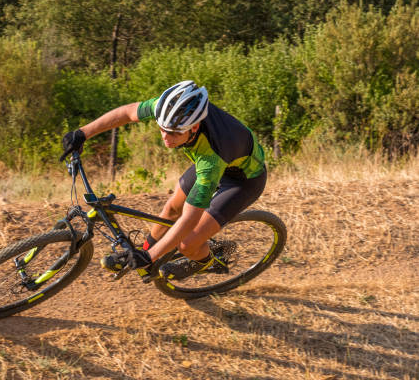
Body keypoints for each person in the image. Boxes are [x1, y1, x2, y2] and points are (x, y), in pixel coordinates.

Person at [60, 80, 266, 280]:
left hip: (243, 180)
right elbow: (128, 113)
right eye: (162, 129)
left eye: (174, 133)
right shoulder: (173, 109)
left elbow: (189, 218)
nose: (166, 137)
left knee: (187, 244)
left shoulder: (210, 159)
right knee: (171, 209)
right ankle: (146, 252)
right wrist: (82, 133)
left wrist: (151, 256)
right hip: (222, 161)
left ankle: (206, 262)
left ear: (194, 127)